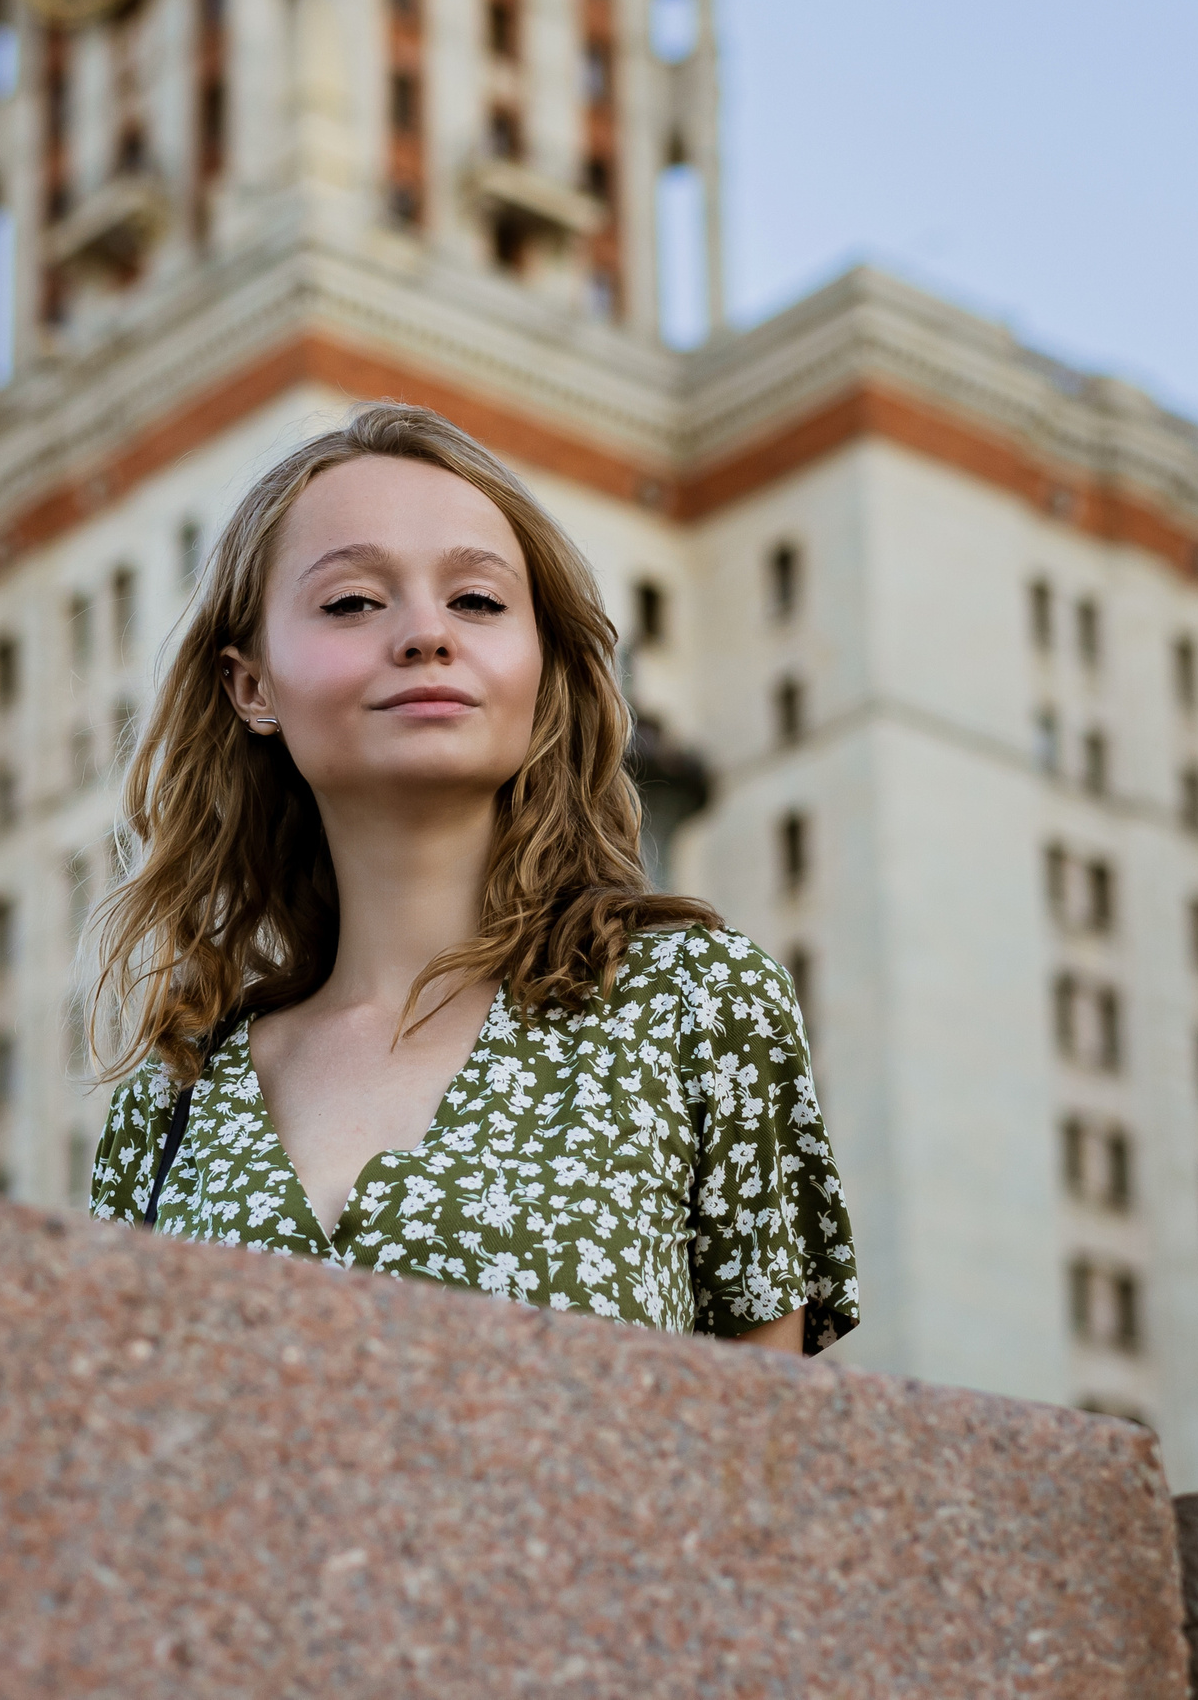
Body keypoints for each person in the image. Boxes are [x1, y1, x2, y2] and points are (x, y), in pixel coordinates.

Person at [84, 403, 857, 1354]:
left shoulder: (692, 1003)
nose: (424, 635)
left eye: (478, 602)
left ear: (539, 672)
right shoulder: (170, 1101)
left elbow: (771, 1453)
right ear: (252, 686)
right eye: (353, 602)